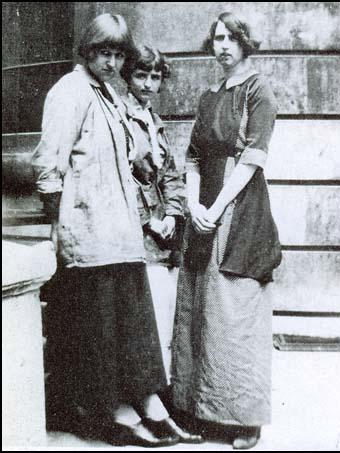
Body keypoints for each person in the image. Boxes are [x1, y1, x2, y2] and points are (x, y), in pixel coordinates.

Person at [32, 13, 192, 448]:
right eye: (104, 52)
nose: (111, 61)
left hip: (120, 235)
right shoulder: (70, 91)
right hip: (89, 233)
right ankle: (115, 411)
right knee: (100, 330)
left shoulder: (106, 95)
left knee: (133, 330)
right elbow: (49, 163)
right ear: (87, 50)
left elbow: (135, 155)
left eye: (118, 54)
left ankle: (150, 405)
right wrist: (56, 226)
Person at [171, 12, 282, 450]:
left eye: (231, 38)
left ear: (245, 43)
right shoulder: (207, 97)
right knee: (201, 308)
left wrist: (215, 208)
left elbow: (254, 157)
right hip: (205, 211)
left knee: (235, 310)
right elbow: (195, 156)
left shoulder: (259, 90)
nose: (222, 46)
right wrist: (194, 203)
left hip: (240, 211)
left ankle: (243, 419)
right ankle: (200, 408)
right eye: (216, 38)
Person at [120, 46, 185, 382]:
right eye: (140, 75)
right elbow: (124, 178)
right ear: (128, 76)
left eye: (155, 77)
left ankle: (166, 389)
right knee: (147, 315)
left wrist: (173, 212)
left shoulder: (154, 121)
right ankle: (152, 392)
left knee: (167, 310)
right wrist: (150, 221)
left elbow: (171, 173)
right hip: (138, 231)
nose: (147, 84)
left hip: (165, 232)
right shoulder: (121, 117)